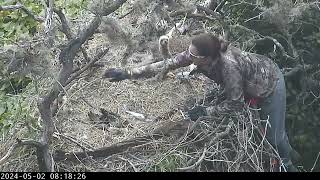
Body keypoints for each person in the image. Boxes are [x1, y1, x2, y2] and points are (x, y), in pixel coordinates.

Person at [103, 33, 300, 172]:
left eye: (194, 56)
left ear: (207, 58)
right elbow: (168, 64)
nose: (189, 57)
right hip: (246, 82)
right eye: (189, 52)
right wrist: (129, 73)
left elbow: (235, 105)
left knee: (274, 137)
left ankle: (288, 164)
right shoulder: (199, 55)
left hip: (269, 84)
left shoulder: (228, 67)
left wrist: (206, 111)